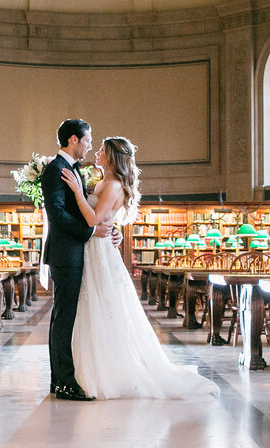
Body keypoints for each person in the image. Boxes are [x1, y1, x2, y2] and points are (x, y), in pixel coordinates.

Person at [61, 136, 220, 399]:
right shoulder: (102, 182)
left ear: (112, 158)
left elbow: (92, 219)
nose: (96, 153)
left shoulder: (112, 185)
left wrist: (78, 193)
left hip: (100, 254)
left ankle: (107, 376)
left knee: (104, 309)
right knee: (92, 310)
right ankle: (90, 371)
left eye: (101, 150)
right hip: (94, 251)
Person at [40, 118, 113, 401]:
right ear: (73, 139)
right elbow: (57, 215)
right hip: (65, 254)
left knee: (63, 317)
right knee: (64, 318)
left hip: (72, 252)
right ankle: (65, 382)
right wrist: (92, 230)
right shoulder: (56, 169)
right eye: (87, 140)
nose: (89, 145)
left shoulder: (70, 169)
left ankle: (60, 381)